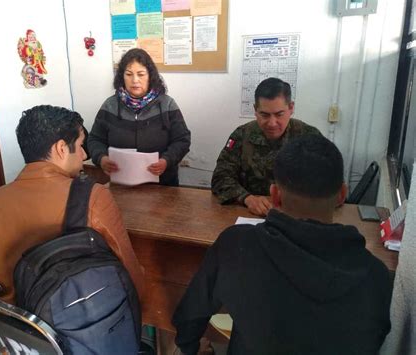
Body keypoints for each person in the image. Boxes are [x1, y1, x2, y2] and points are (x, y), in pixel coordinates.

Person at [173, 135, 392, 355]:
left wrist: (191, 346)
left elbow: (190, 316)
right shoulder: (377, 277)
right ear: (342, 195)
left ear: (275, 196)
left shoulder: (236, 246)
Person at [0, 105, 144, 314]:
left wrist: (15, 307)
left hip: (28, 340)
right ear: (60, 148)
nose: (84, 155)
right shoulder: (93, 196)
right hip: (88, 327)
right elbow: (130, 277)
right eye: (79, 146)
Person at [211, 77, 321, 216]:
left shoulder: (309, 136)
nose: (272, 123)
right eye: (264, 115)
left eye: (279, 114)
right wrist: (247, 198)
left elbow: (329, 183)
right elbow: (220, 177)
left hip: (297, 215)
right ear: (255, 110)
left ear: (291, 108)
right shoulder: (242, 135)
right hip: (250, 214)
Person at [87, 48, 191, 186]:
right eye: (129, 74)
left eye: (141, 74)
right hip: (121, 184)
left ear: (150, 76)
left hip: (163, 183)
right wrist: (101, 158)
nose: (135, 80)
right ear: (122, 76)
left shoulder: (167, 105)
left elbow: (182, 140)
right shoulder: (110, 106)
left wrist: (166, 161)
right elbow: (95, 139)